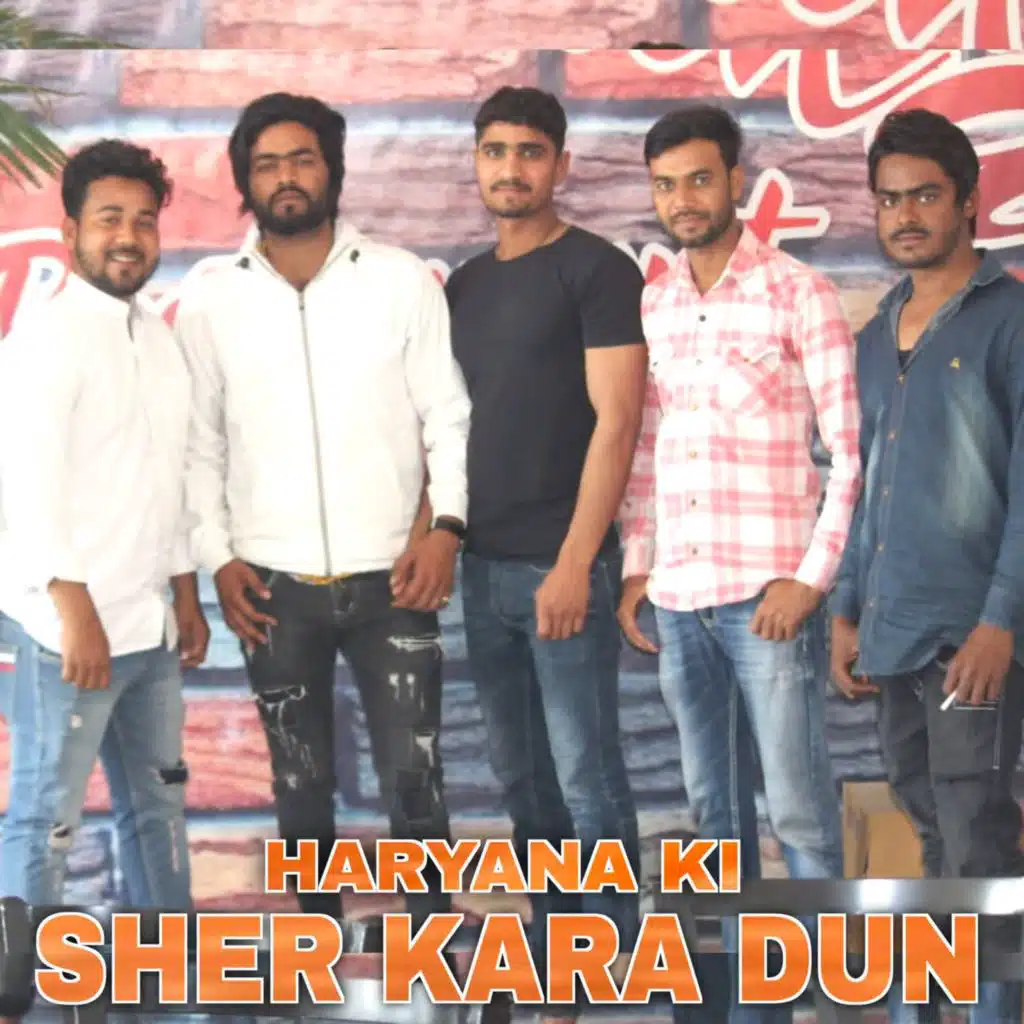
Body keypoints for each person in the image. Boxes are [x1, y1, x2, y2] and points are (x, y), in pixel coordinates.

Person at [176, 92, 470, 929]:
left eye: (302, 159)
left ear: (333, 169)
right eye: (266, 164)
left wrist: (446, 528)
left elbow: (447, 416)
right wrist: (218, 558)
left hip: (395, 581)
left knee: (416, 780)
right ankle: (316, 949)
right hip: (273, 588)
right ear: (245, 181)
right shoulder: (210, 297)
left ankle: (432, 946)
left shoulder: (400, 280)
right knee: (300, 784)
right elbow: (199, 443)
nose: (286, 177)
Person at [617, 105, 861, 1022]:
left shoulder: (800, 293)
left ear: (736, 183)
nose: (683, 199)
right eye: (666, 185)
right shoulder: (657, 301)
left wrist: (811, 577)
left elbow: (851, 452)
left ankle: (830, 1007)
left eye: (699, 179)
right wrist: (638, 565)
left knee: (798, 814)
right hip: (679, 601)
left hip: (768, 602)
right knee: (710, 818)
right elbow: (650, 447)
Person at [444, 86, 646, 1024]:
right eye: (495, 151)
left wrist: (575, 562)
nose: (511, 168)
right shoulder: (464, 285)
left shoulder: (598, 271)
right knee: (524, 787)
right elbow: (451, 427)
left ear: (561, 165)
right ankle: (561, 972)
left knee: (588, 782)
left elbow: (618, 423)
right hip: (481, 572)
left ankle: (611, 968)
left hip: (561, 569)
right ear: (477, 163)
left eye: (530, 151)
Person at [831, 108, 1024, 1023]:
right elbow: (864, 483)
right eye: (888, 200)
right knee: (934, 827)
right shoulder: (876, 337)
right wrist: (846, 608)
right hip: (893, 629)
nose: (905, 215)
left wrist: (1001, 622)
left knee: (978, 838)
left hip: (971, 636)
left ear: (968, 202)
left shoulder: (1011, 319)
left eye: (924, 197)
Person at [0, 139, 208, 924]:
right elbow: (27, 486)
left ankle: (174, 976)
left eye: (144, 221)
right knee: (45, 822)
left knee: (158, 814)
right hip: (70, 636)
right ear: (70, 231)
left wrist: (185, 595)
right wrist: (74, 610)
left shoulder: (155, 335)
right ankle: (22, 981)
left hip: (149, 632)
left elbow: (169, 477)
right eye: (109, 218)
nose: (128, 236)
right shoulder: (44, 340)